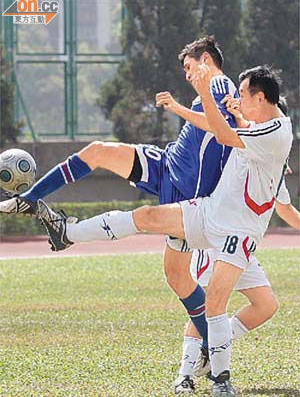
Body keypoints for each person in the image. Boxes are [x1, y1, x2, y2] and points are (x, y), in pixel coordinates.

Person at [33, 65, 293, 396]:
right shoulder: (260, 128)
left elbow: (224, 135)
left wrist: (204, 95)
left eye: (243, 94)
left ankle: (219, 379)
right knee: (148, 215)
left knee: (215, 300)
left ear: (260, 96)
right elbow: (229, 133)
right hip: (210, 212)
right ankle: (67, 233)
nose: (238, 99)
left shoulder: (277, 133)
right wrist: (221, 112)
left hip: (238, 232)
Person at [0, 35, 239, 376]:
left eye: (189, 67)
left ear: (206, 60)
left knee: (176, 275)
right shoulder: (212, 88)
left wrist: (183, 107)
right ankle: (31, 198)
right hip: (167, 164)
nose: (187, 75)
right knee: (99, 150)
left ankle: (210, 344)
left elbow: (220, 131)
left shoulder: (217, 83)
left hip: (188, 197)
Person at [176, 198, 300, 395]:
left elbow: (285, 211)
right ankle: (185, 376)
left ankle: (214, 346)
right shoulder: (237, 165)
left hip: (242, 247)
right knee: (206, 305)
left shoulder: (276, 174)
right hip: (213, 243)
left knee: (266, 305)